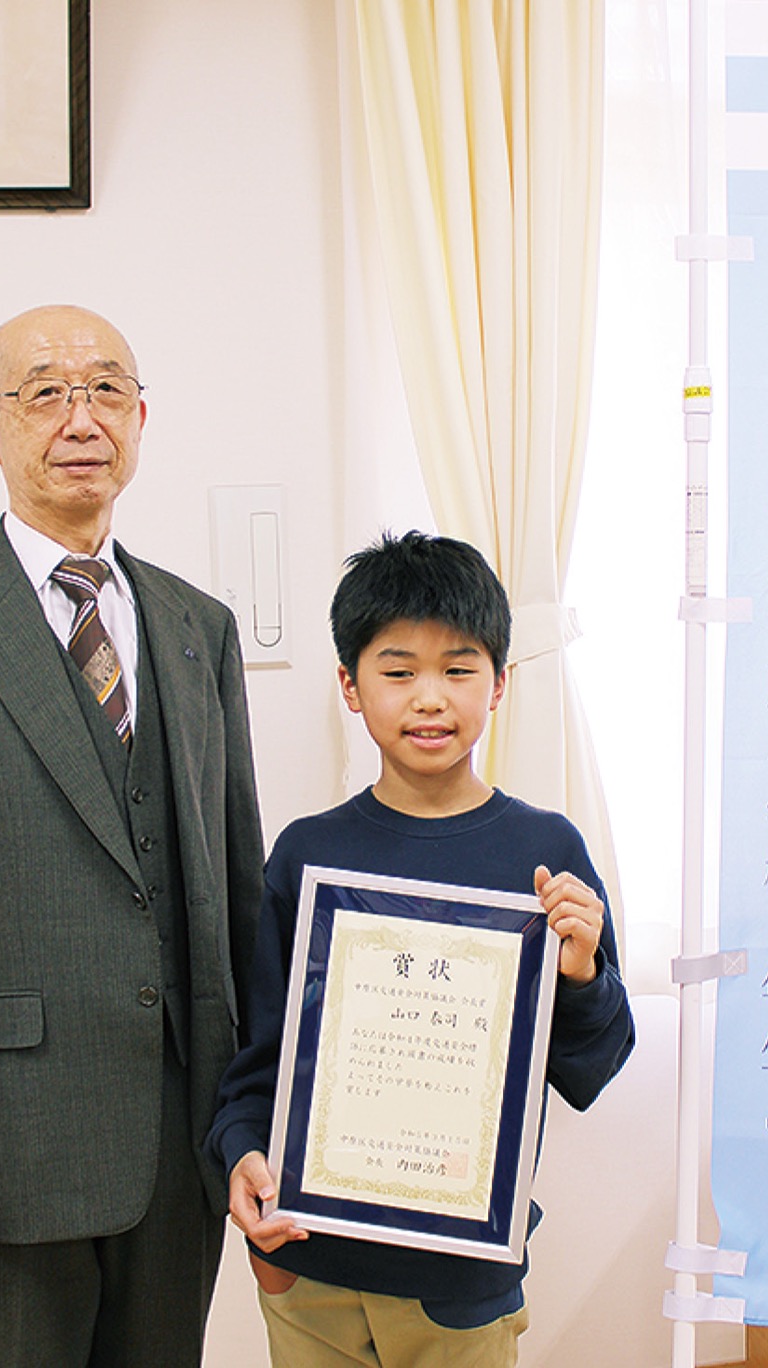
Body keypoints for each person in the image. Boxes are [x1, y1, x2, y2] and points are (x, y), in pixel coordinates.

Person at [0, 304, 265, 1366]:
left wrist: (254, 1113)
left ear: (141, 420)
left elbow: (238, 885)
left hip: (184, 1135)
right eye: (45, 392)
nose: (81, 417)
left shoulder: (198, 626)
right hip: (7, 1142)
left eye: (106, 389)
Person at [206, 530, 635, 1367]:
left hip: (459, 1274)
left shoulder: (544, 854)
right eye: (398, 672)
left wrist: (582, 975)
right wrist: (242, 1152)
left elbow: (592, 1067)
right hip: (310, 1262)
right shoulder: (308, 854)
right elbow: (260, 1056)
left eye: (458, 669)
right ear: (350, 685)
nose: (429, 698)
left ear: (500, 682)